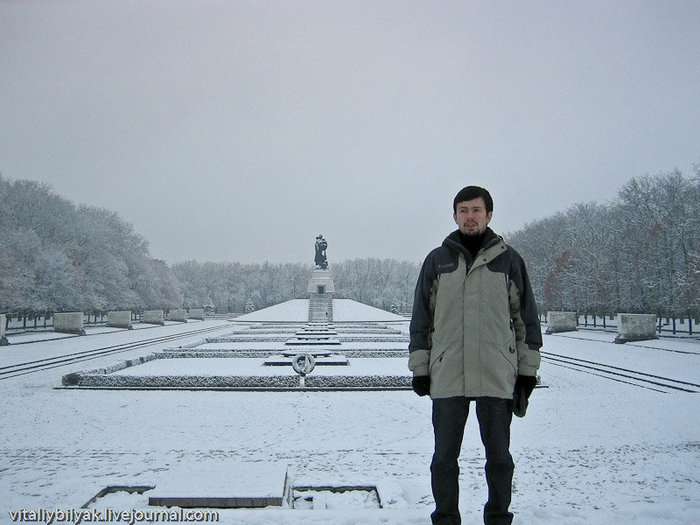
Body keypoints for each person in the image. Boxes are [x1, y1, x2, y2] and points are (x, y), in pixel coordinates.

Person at [409, 186, 542, 525]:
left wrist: (527, 372)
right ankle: (446, 519)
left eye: (476, 210)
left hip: (496, 374)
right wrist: (421, 367)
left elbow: (525, 319)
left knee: (499, 459)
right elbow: (421, 319)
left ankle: (498, 518)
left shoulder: (509, 260)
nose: (470, 216)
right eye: (463, 210)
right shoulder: (437, 260)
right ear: (454, 215)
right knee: (443, 460)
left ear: (489, 215)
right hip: (448, 372)